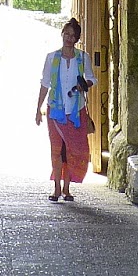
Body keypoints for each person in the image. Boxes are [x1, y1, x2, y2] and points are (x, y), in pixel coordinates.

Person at [35, 16, 96, 201]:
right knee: (56, 149)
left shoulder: (82, 57)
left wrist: (84, 85)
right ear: (62, 34)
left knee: (72, 150)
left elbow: (91, 78)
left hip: (76, 110)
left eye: (73, 35)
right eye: (67, 34)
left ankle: (67, 188)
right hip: (55, 110)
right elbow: (45, 83)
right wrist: (38, 108)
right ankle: (56, 188)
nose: (69, 38)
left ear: (77, 39)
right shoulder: (51, 58)